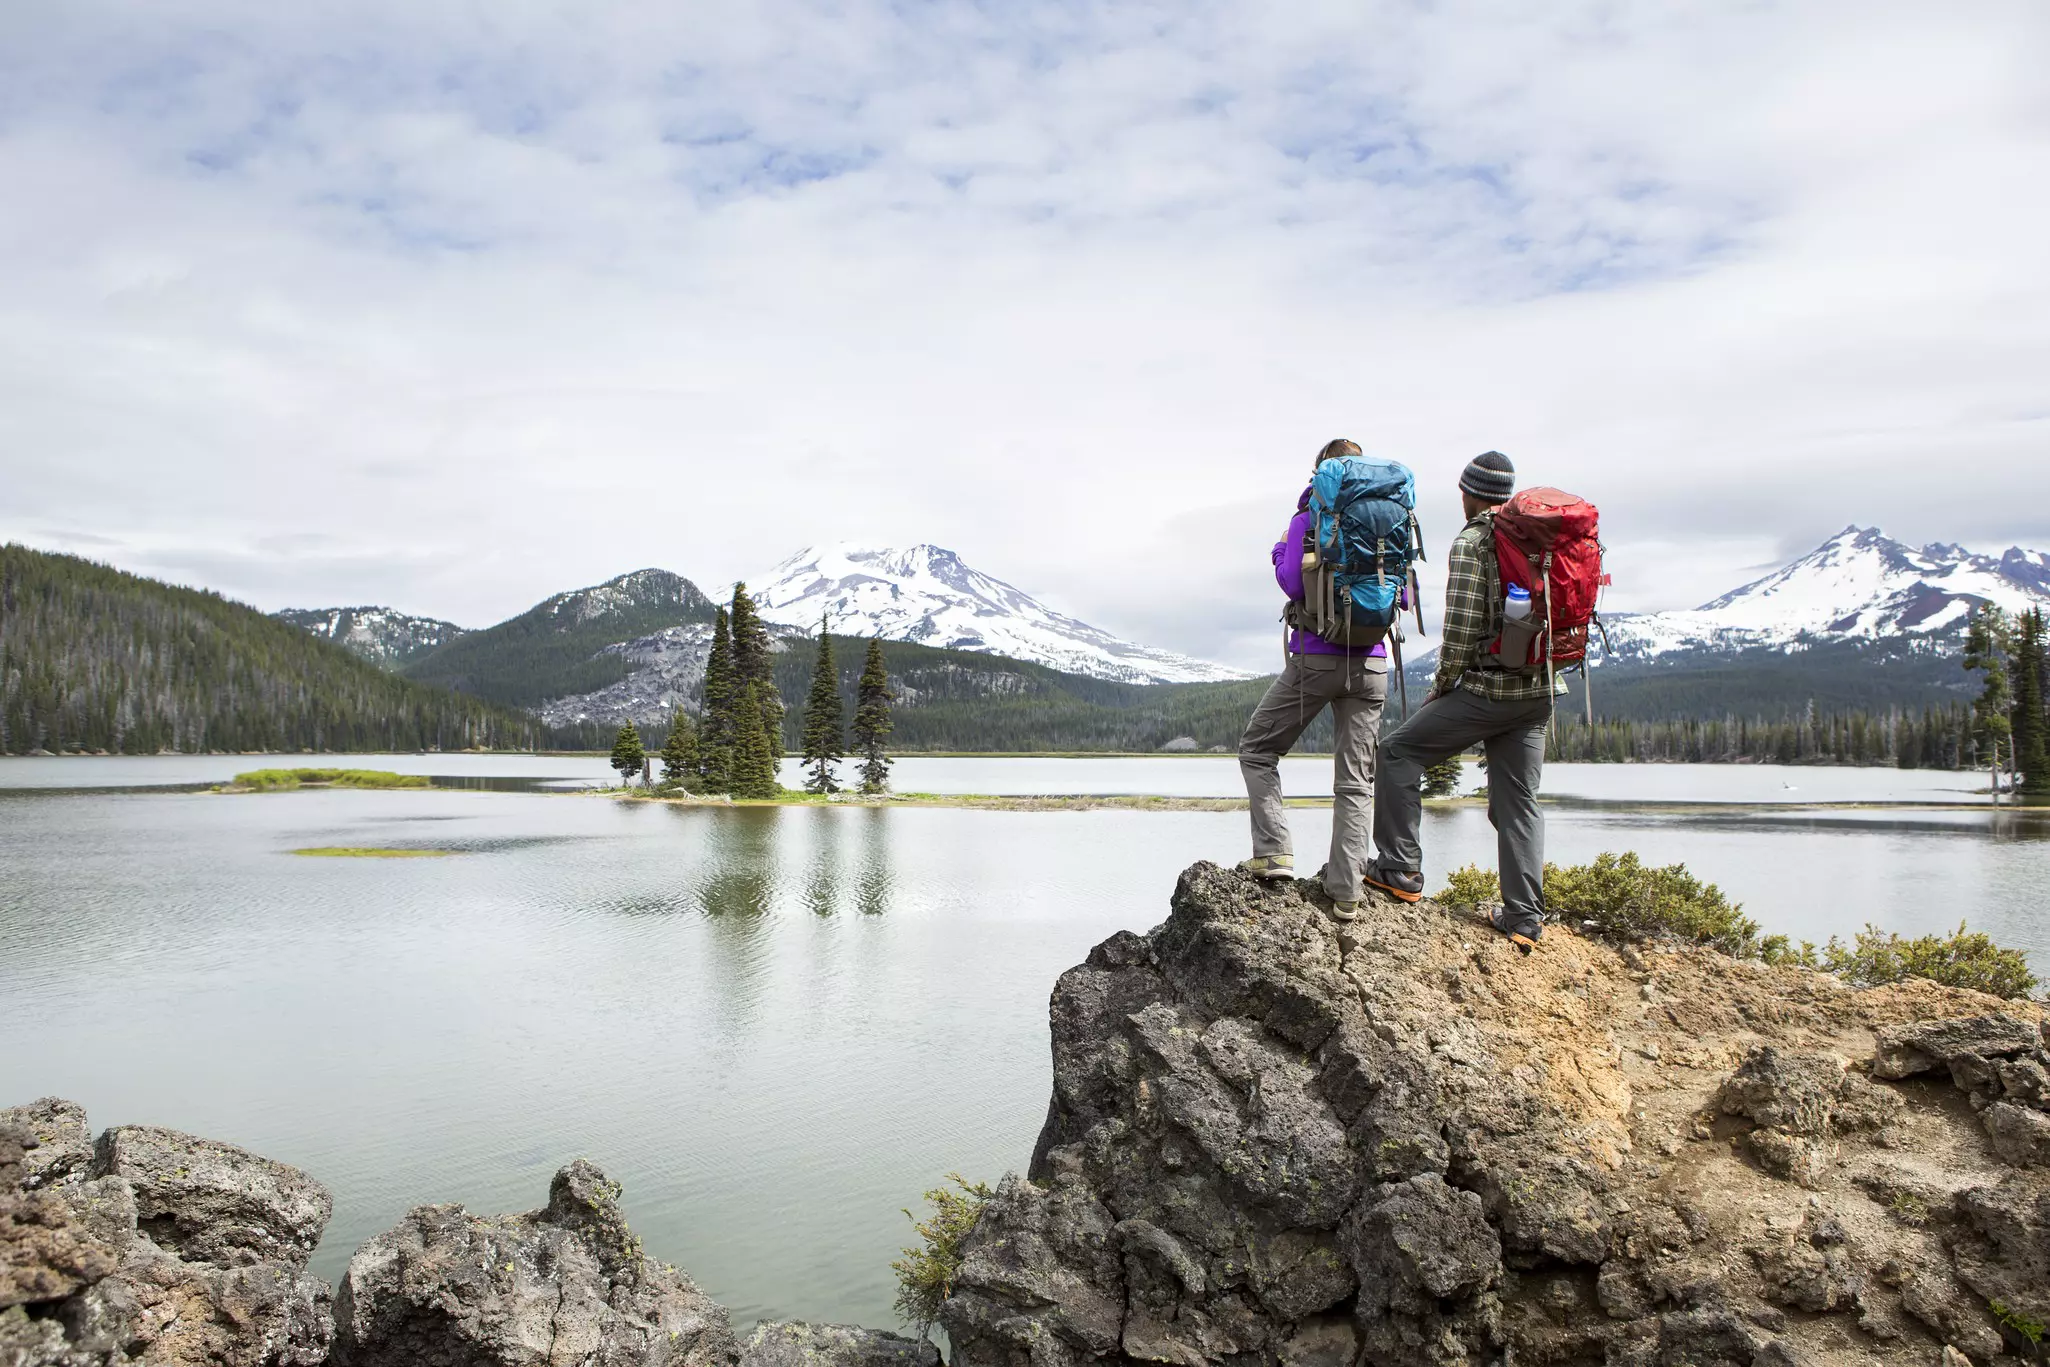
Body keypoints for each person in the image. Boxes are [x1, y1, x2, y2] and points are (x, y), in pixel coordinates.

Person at [1362, 450, 1560, 950]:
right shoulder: (1540, 539)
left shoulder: (1475, 541)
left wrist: (1444, 684)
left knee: (1397, 753)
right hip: (1538, 694)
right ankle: (1524, 921)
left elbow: (1461, 627)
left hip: (1488, 691)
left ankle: (1399, 869)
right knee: (1520, 804)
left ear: (1468, 493)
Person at [1237, 438, 1391, 922]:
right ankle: (1346, 893)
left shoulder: (1310, 516)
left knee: (1258, 749)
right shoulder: (1390, 519)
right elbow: (1402, 597)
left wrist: (1284, 549)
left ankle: (1275, 852)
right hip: (1372, 665)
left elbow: (1291, 583)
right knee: (1356, 780)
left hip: (1316, 659)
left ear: (1320, 472)